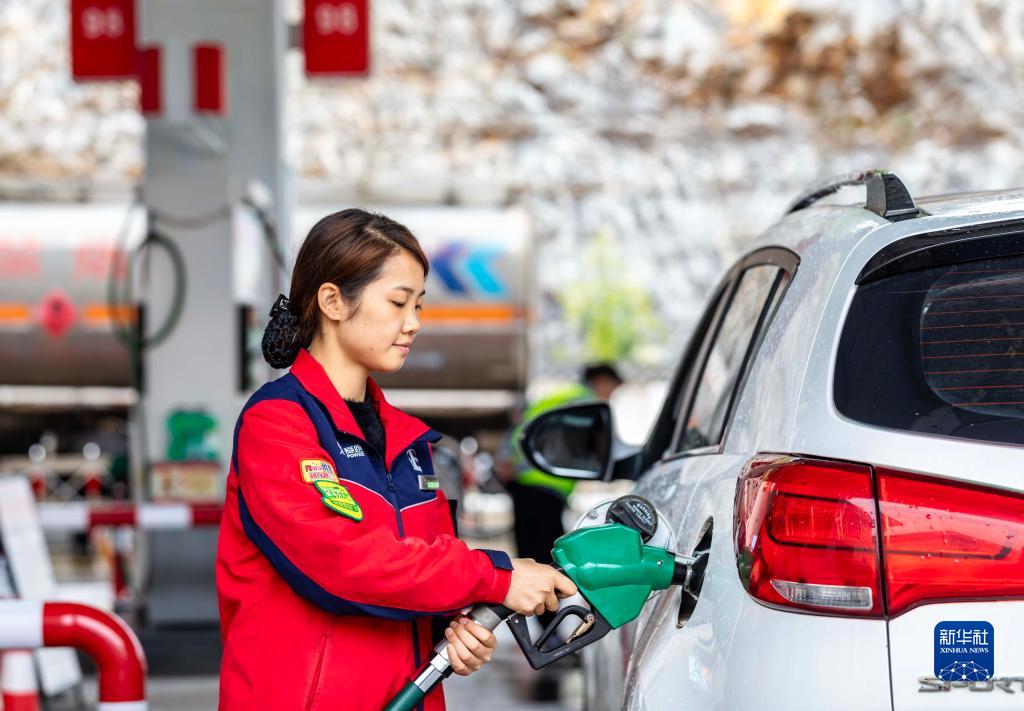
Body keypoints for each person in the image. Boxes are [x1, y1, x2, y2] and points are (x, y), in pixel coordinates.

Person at [216, 209, 576, 711]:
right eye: (398, 302)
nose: (413, 324)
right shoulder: (277, 425)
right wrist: (496, 576)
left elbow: (419, 575)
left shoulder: (409, 444)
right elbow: (342, 562)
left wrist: (456, 629)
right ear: (332, 301)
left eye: (419, 305)